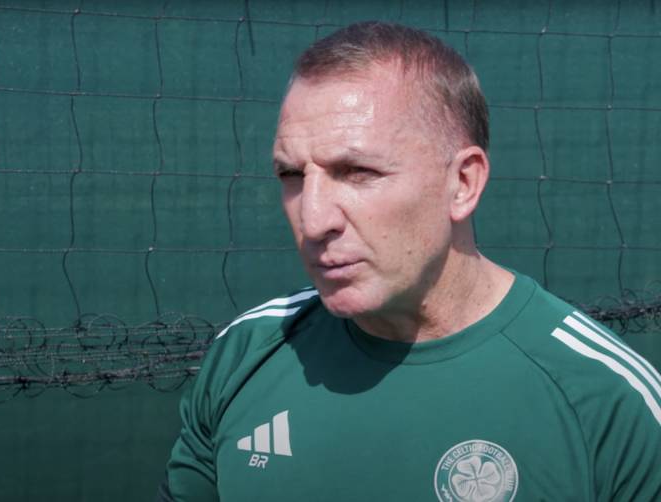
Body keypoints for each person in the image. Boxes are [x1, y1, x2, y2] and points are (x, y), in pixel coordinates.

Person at [158, 21, 661, 501]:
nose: (312, 220)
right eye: (292, 175)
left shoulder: (607, 401)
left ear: (462, 183)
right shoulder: (245, 354)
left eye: (357, 171)